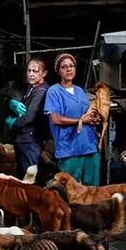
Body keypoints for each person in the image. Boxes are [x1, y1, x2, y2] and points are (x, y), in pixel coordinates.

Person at [43, 53, 101, 186]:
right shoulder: (54, 91)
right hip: (69, 149)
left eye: (71, 66)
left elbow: (87, 115)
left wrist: (93, 119)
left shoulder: (80, 91)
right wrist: (81, 121)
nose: (68, 69)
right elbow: (56, 119)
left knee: (92, 192)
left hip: (89, 147)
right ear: (58, 71)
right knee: (69, 192)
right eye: (64, 67)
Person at [4, 57, 50, 178]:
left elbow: (29, 116)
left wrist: (14, 123)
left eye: (35, 71)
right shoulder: (31, 88)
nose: (31, 74)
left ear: (44, 73)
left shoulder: (41, 91)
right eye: (29, 71)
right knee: (23, 175)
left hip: (31, 140)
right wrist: (11, 105)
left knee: (29, 177)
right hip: (23, 139)